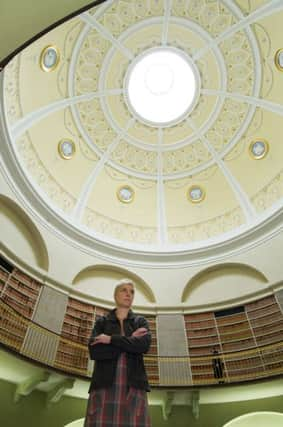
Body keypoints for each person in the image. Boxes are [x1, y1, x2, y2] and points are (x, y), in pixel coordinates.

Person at [84, 279, 152, 427]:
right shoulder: (102, 322)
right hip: (104, 387)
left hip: (134, 387)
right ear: (115, 295)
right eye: (124, 290)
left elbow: (144, 345)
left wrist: (110, 339)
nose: (129, 294)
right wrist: (130, 341)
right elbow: (95, 350)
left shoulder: (140, 321)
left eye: (132, 291)